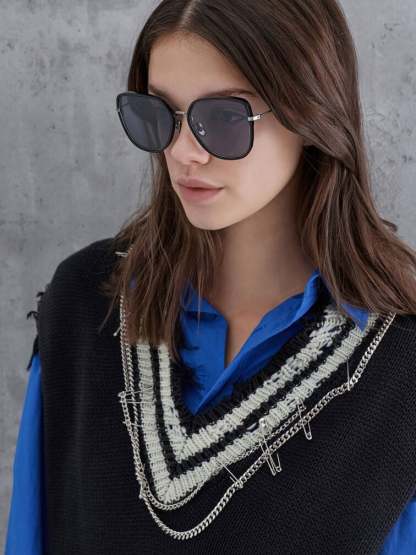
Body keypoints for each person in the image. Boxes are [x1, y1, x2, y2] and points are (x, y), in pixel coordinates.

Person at [5, 0, 416, 553]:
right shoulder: (84, 308)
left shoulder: (402, 367)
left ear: (312, 113)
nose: (183, 152)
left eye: (223, 118)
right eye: (159, 114)